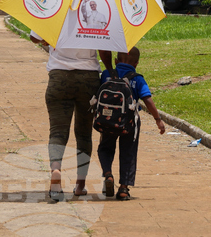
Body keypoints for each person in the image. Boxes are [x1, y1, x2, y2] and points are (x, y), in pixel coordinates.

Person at [29, 30, 112, 202]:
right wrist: (111, 71)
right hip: (88, 78)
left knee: (57, 131)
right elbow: (104, 49)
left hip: (59, 76)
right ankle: (80, 185)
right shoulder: (95, 7)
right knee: (83, 134)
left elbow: (34, 37)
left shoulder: (55, 6)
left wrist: (48, 37)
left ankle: (56, 171)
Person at [96, 47, 165, 201]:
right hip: (130, 122)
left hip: (108, 120)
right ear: (137, 63)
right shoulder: (137, 78)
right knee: (128, 152)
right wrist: (157, 119)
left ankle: (108, 174)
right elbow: (147, 99)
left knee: (105, 148)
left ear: (115, 61)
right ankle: (123, 188)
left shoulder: (107, 74)